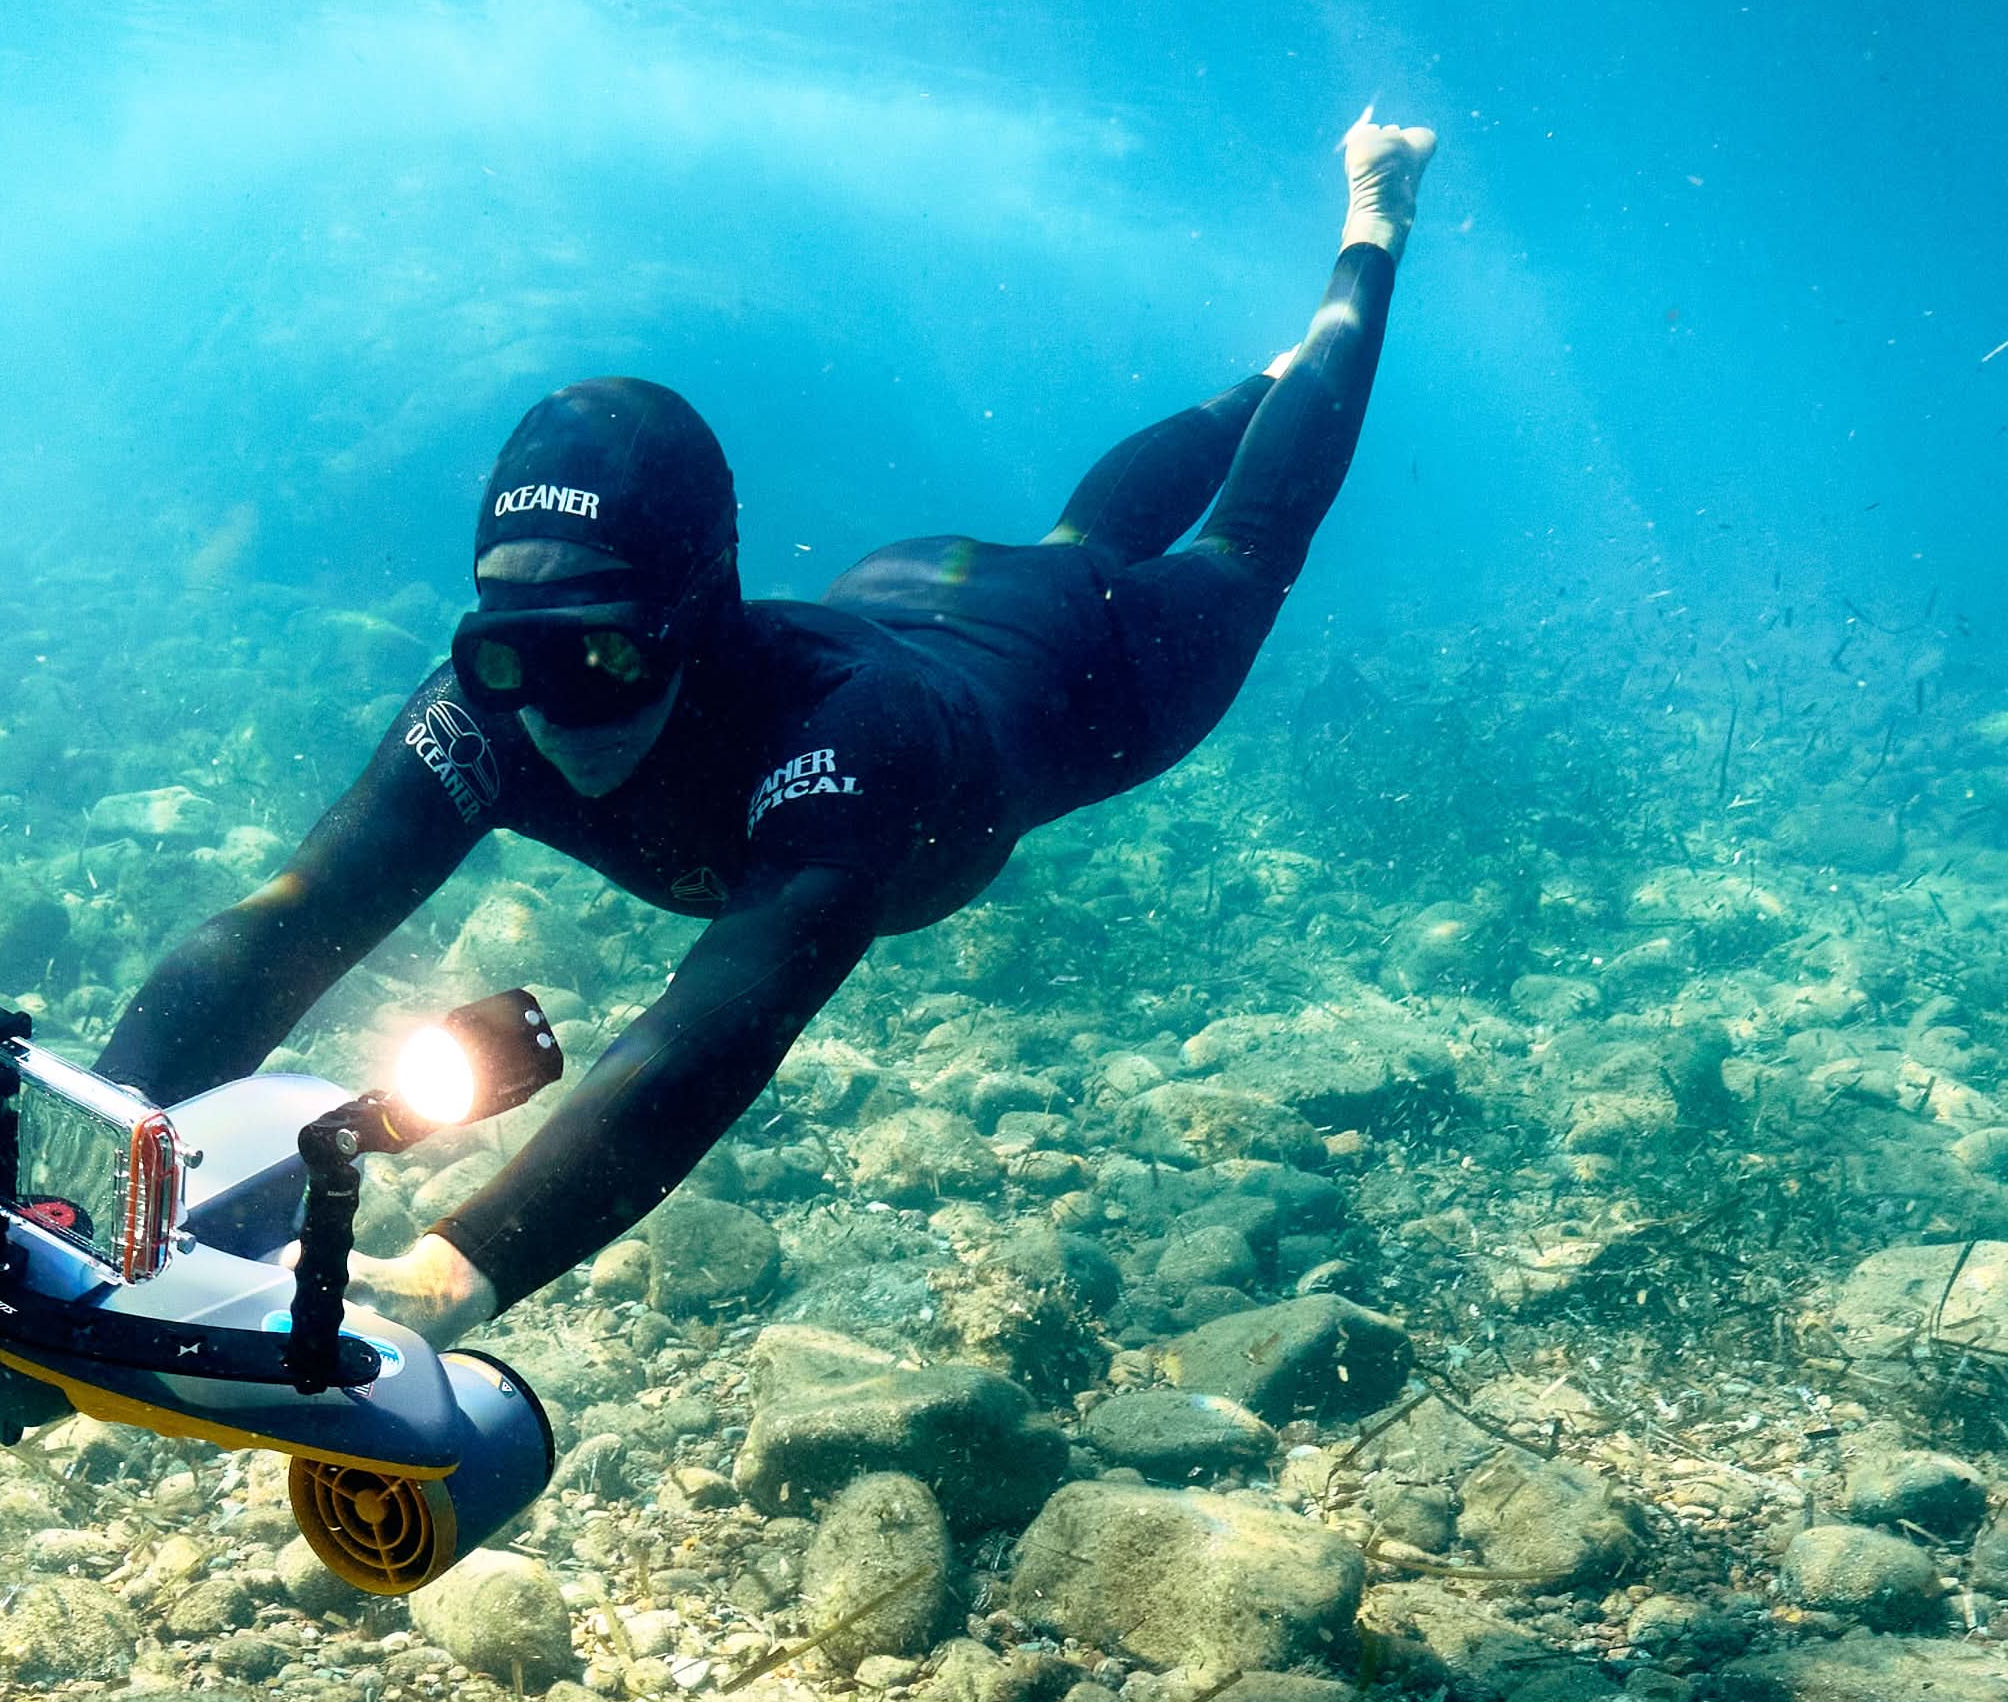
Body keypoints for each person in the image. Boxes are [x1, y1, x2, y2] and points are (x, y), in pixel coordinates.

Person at [93, 110, 1435, 1343]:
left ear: (699, 616)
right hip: (919, 591)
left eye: (606, 657)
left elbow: (720, 1022)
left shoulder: (849, 743)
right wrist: (101, 1161)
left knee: (1240, 543)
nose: (554, 712)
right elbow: (284, 924)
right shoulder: (487, 711)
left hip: (1088, 674)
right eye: (511, 657)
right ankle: (1262, 377)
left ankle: (1371, 228)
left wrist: (459, 1267)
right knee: (1070, 538)